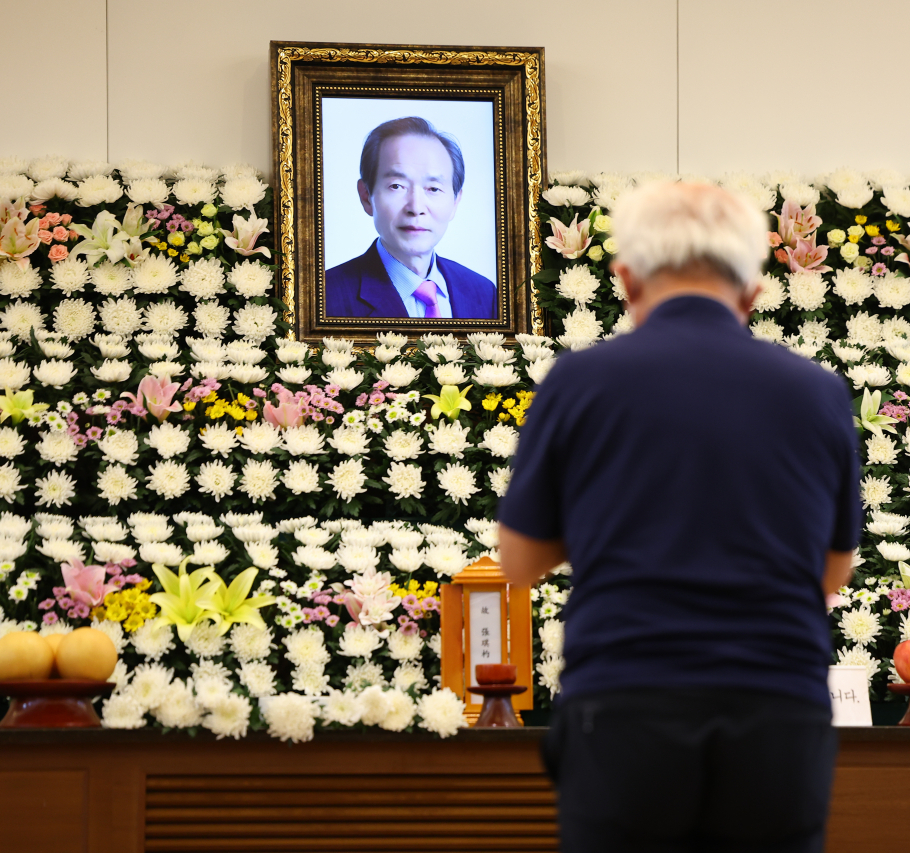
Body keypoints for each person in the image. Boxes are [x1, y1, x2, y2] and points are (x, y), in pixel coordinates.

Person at [498, 181, 862, 853]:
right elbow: (831, 571)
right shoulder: (817, 392)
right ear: (752, 292)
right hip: (778, 707)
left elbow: (519, 562)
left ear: (627, 279)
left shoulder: (580, 383)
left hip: (625, 701)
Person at [324, 116, 497, 319]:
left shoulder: (484, 294)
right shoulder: (325, 297)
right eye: (397, 186)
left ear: (455, 201)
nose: (416, 208)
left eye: (433, 188)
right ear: (366, 196)